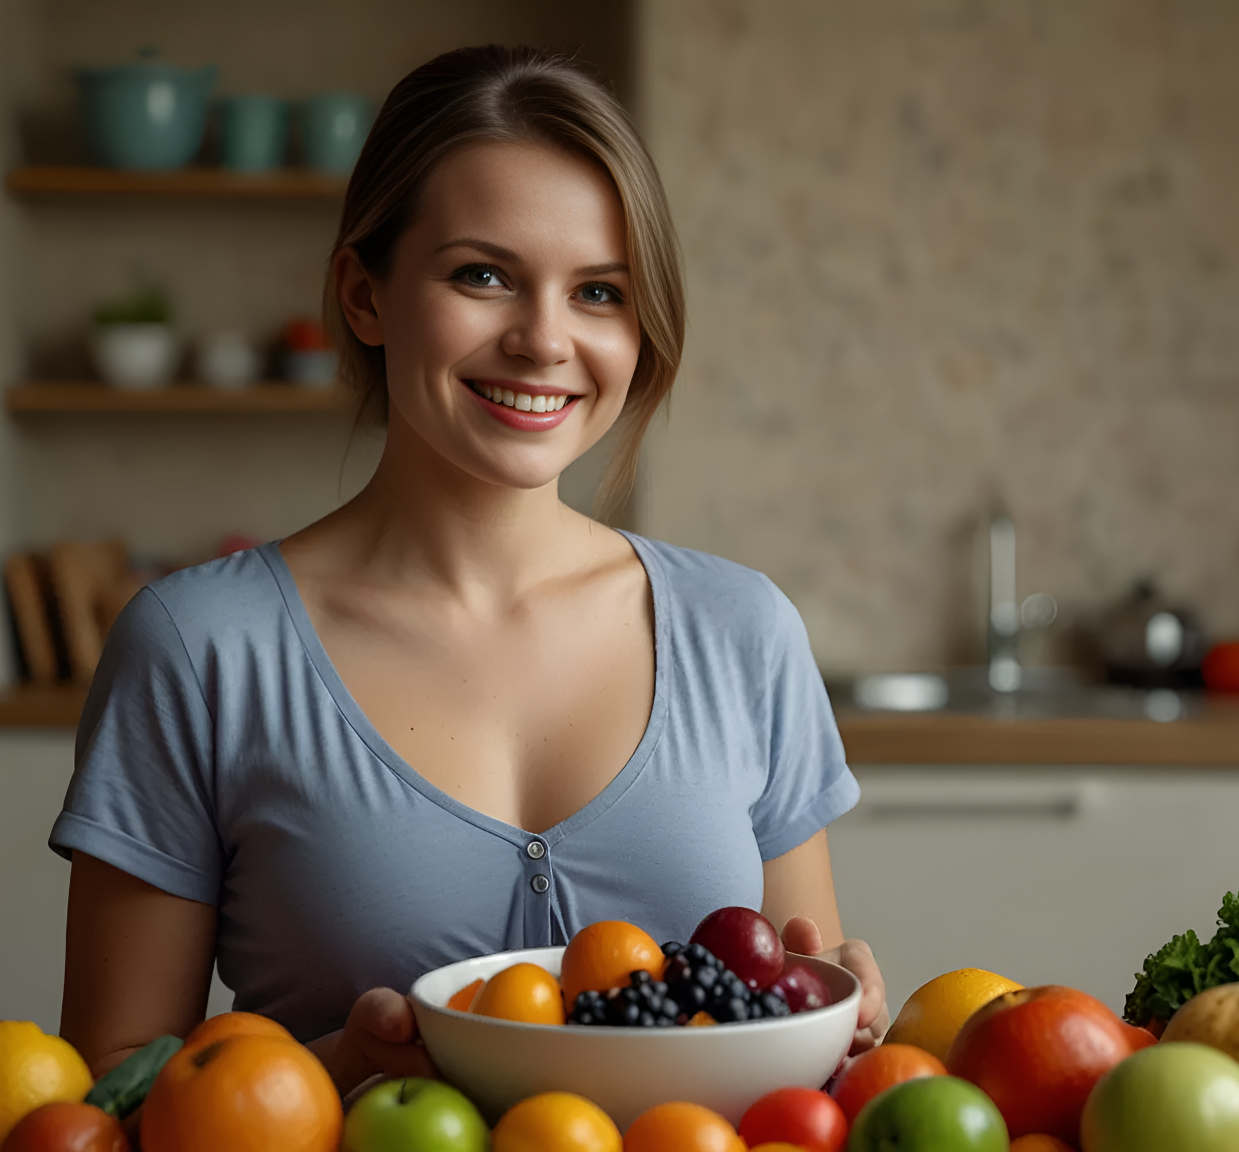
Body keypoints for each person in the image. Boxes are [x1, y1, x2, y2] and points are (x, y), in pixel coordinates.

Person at [50, 45, 885, 1094]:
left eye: (597, 291)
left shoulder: (742, 630)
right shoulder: (199, 648)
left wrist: (836, 1018)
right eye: (481, 275)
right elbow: (110, 1095)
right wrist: (340, 1068)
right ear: (363, 294)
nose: (543, 340)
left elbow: (786, 1050)